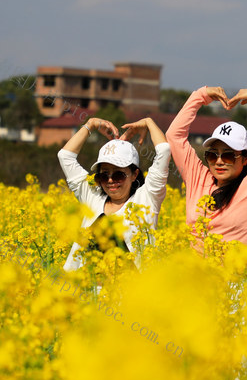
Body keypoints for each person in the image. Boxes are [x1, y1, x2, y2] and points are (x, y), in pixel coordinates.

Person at [165, 86, 247, 248]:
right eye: (212, 155)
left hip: (237, 273)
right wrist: (201, 96)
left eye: (228, 155)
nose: (219, 161)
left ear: (245, 158)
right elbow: (174, 136)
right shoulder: (197, 179)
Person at [57, 116, 170, 271]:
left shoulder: (147, 198)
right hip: (86, 292)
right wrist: (91, 125)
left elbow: (164, 151)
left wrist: (149, 123)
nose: (110, 181)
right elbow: (65, 156)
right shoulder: (92, 196)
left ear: (134, 174)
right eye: (103, 175)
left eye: (118, 175)